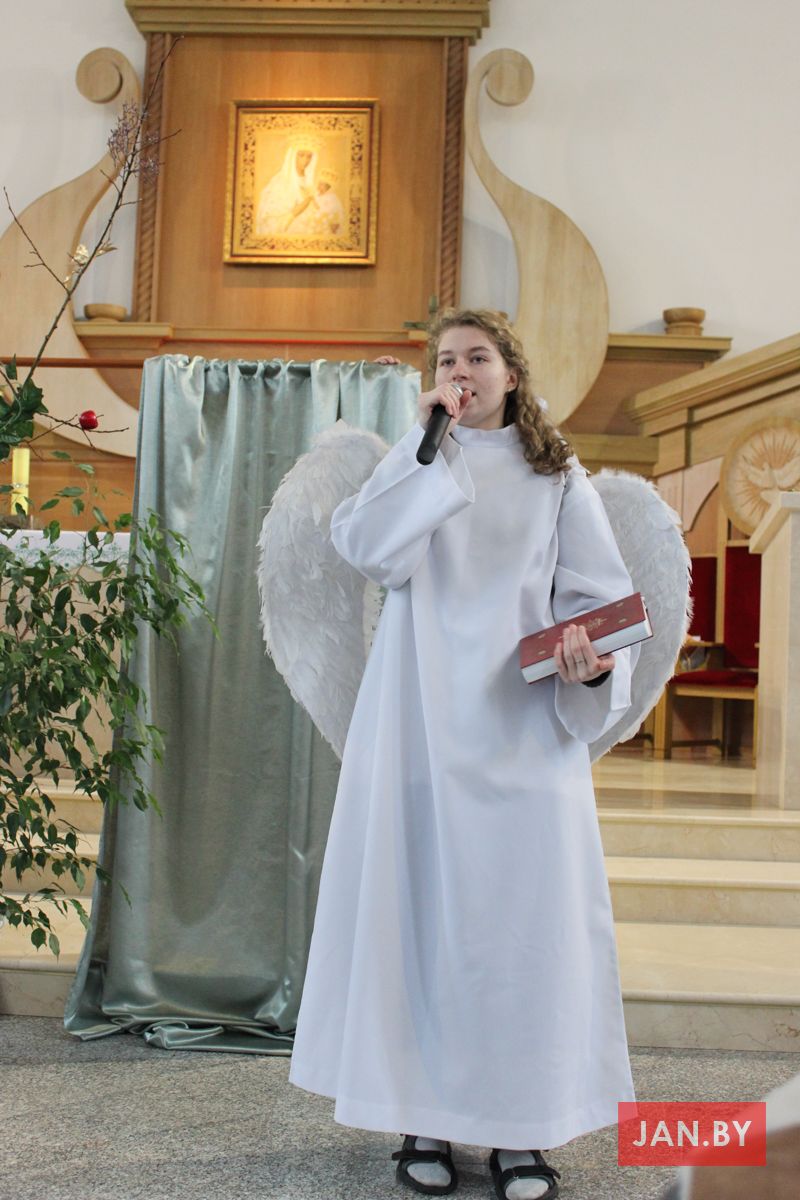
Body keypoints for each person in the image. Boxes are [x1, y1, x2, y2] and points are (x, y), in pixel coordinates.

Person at [288, 309, 640, 1200]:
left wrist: (592, 661)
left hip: (522, 730)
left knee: (522, 933)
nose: (461, 371)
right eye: (447, 360)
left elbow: (601, 598)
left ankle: (525, 1132)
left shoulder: (557, 475)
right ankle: (425, 1120)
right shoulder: (417, 461)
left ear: (510, 374)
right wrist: (428, 454)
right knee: (424, 924)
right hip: (419, 723)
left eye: (477, 357)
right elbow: (370, 551)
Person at [255, 140, 319, 237]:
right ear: (293, 156)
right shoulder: (280, 181)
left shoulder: (309, 182)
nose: (305, 160)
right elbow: (271, 217)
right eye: (301, 155)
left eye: (309, 156)